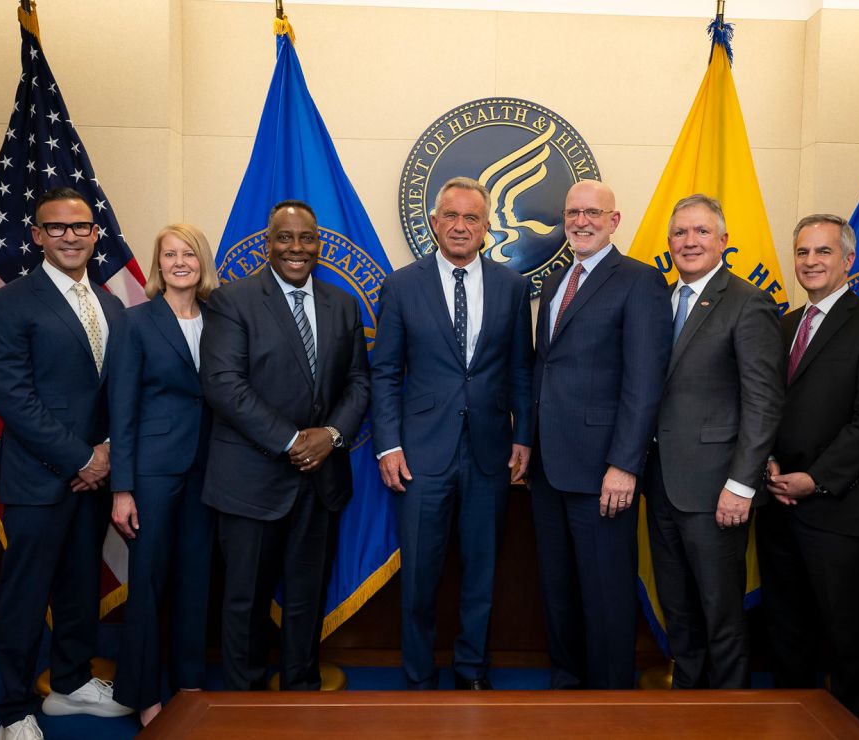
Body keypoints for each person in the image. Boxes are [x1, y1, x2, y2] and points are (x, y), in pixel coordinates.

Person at [199, 200, 370, 691]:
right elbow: (225, 385)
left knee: (306, 597)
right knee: (246, 601)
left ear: (320, 244)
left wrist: (332, 436)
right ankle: (245, 707)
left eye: (306, 238)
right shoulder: (233, 301)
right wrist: (293, 440)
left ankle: (300, 693)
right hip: (251, 482)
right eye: (285, 238)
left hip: (321, 482)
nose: (297, 248)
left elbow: (359, 381)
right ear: (267, 243)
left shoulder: (342, 303)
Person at [0, 187, 129, 740]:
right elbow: (13, 397)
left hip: (96, 476)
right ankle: (13, 710)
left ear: (96, 234)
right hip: (39, 477)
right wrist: (81, 457)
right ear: (37, 235)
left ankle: (72, 680)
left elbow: (119, 390)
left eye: (81, 227)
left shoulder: (112, 304)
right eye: (57, 227)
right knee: (27, 594)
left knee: (79, 586)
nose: (71, 236)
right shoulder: (9, 303)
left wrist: (107, 451)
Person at [371, 177, 533, 690]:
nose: (460, 226)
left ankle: (471, 672)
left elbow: (521, 371)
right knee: (419, 576)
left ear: (486, 228)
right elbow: (384, 372)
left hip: (489, 454)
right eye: (451, 216)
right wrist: (389, 444)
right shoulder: (401, 285)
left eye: (472, 218)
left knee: (481, 575)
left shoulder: (511, 286)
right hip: (420, 455)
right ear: (434, 222)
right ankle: (418, 675)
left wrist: (523, 436)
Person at [758, 214, 859, 726]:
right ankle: (792, 729)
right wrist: (770, 463)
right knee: (787, 634)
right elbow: (769, 405)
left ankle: (848, 733)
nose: (811, 262)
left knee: (847, 643)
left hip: (840, 514)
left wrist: (814, 479)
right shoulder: (782, 324)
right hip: (778, 507)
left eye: (823, 252)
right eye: (802, 252)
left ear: (848, 260)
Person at [530, 179, 672, 689]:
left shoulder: (640, 280)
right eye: (573, 212)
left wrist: (625, 464)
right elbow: (545, 367)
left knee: (606, 592)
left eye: (593, 212)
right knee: (559, 588)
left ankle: (611, 699)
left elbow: (644, 381)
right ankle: (567, 687)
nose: (581, 221)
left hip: (602, 470)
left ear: (614, 221)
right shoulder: (554, 281)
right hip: (547, 468)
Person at [644, 194, 783, 690]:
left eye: (701, 232)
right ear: (669, 243)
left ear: (723, 241)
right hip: (659, 482)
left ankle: (729, 709)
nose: (690, 241)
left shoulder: (748, 302)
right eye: (680, 233)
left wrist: (742, 485)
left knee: (720, 609)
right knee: (676, 603)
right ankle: (688, 699)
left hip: (717, 489)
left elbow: (764, 402)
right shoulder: (657, 300)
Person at [108, 224, 219, 726]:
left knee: (196, 580)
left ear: (202, 261)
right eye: (169, 254)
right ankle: (146, 692)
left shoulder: (220, 318)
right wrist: (122, 488)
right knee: (149, 583)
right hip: (152, 472)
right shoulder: (136, 322)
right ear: (158, 264)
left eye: (188, 253)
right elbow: (122, 408)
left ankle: (190, 683)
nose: (180, 262)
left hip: (209, 470)